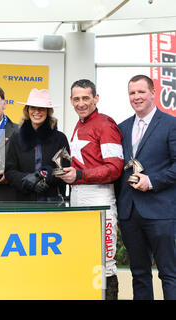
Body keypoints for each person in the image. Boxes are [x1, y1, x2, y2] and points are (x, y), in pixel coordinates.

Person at [58, 79, 124, 300]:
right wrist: (70, 173)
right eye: (76, 99)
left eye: (86, 98)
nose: (81, 103)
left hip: (100, 196)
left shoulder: (105, 124)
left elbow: (115, 168)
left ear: (96, 98)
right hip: (78, 196)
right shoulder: (79, 124)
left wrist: (79, 175)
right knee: (85, 257)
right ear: (71, 100)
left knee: (105, 261)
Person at [116, 74, 176, 300]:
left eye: (141, 92)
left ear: (153, 93)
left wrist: (151, 181)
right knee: (139, 274)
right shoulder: (122, 128)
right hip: (130, 213)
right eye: (132, 93)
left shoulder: (171, 124)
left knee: (169, 274)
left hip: (160, 212)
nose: (136, 97)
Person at [4, 88, 69, 201]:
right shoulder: (16, 137)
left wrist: (44, 176)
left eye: (41, 108)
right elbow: (10, 172)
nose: (37, 112)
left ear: (48, 111)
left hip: (53, 201)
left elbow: (65, 170)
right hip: (24, 202)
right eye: (33, 107)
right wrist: (28, 180)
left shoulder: (60, 138)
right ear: (27, 110)